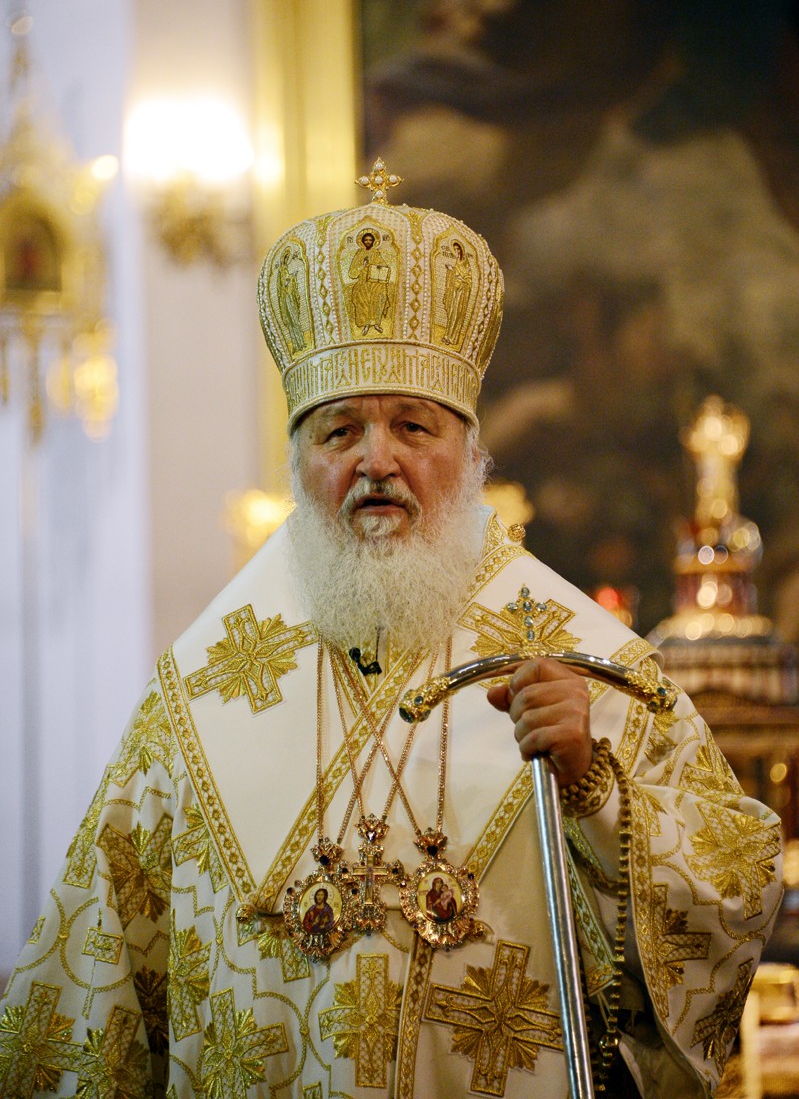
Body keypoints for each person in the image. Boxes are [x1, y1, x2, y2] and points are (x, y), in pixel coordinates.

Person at [0, 163, 783, 1099]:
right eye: (338, 432)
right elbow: (89, 997)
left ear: (470, 453)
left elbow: (734, 890)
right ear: (298, 461)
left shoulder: (594, 671)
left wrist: (591, 788)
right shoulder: (198, 699)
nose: (377, 460)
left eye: (413, 427)